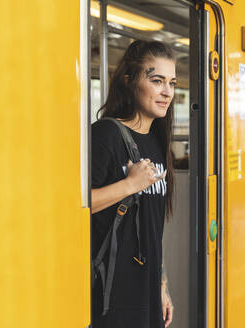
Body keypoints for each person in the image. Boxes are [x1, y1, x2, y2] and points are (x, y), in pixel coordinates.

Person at [91, 40, 175, 328]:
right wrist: (129, 185)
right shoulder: (105, 135)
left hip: (147, 290)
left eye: (172, 83)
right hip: (113, 295)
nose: (167, 92)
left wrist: (161, 285)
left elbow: (154, 226)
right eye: (157, 81)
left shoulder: (157, 141)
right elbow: (77, 203)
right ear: (129, 81)